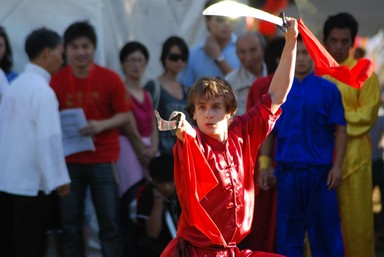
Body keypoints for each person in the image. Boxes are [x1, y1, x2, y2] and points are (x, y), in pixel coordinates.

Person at [160, 17, 298, 257]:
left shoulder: (242, 132)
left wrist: (291, 41)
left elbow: (277, 94)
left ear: (230, 112)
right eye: (201, 108)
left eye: (215, 107)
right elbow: (187, 134)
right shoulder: (192, 142)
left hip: (231, 251)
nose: (208, 114)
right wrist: (182, 127)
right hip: (197, 252)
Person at [51, 21, 143, 257]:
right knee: (70, 226)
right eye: (75, 47)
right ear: (66, 50)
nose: (81, 52)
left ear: (94, 48)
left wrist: (102, 124)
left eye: (86, 46)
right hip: (69, 161)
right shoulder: (57, 80)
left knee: (109, 224)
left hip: (103, 159)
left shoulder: (109, 78)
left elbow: (125, 114)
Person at [260, 35, 346, 257]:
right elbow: (269, 130)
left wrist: (337, 166)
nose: (301, 59)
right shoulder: (278, 93)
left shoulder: (329, 90)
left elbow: (341, 130)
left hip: (321, 174)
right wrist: (264, 164)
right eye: (296, 54)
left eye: (306, 53)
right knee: (288, 236)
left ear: (314, 55)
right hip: (287, 173)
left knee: (326, 235)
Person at [0, 27, 71, 257]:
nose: (63, 58)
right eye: (61, 52)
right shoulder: (42, 91)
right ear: (47, 53)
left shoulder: (16, 86)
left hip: (7, 181)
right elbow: (49, 139)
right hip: (30, 185)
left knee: (10, 244)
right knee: (30, 245)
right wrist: (59, 179)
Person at [322, 12, 381, 257]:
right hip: (323, 160)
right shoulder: (316, 74)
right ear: (325, 41)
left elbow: (367, 115)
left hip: (356, 161)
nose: (338, 46)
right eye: (333, 40)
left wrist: (332, 121)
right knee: (321, 226)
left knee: (358, 226)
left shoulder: (365, 74)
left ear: (353, 42)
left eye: (344, 41)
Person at [241, 36, 286, 252]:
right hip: (275, 162)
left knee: (264, 221)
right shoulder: (263, 85)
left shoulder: (262, 84)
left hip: (263, 162)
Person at [117, 41, 159, 257]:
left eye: (140, 60)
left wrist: (153, 148)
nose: (135, 65)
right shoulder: (120, 90)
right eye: (131, 60)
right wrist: (144, 152)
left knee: (152, 198)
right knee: (130, 198)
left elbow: (153, 124)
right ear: (123, 64)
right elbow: (128, 125)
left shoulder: (146, 93)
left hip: (148, 148)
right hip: (127, 149)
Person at [178, 0, 241, 87]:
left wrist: (219, 58)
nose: (227, 24)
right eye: (220, 19)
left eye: (231, 18)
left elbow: (245, 84)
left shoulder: (246, 49)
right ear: (208, 20)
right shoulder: (193, 54)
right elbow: (186, 91)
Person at [145, 36, 190, 155]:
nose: (179, 62)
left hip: (183, 154)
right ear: (164, 57)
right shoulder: (153, 86)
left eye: (183, 58)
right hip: (160, 155)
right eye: (174, 57)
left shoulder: (187, 90)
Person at [135, 154, 180, 257]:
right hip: (160, 247)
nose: (167, 187)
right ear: (154, 180)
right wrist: (158, 201)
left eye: (170, 181)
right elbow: (152, 233)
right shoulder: (147, 194)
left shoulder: (185, 190)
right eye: (162, 182)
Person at [225, 31, 267, 115]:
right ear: (237, 54)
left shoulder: (277, 76)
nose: (248, 57)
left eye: (253, 50)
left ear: (263, 50)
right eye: (243, 52)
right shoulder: (230, 82)